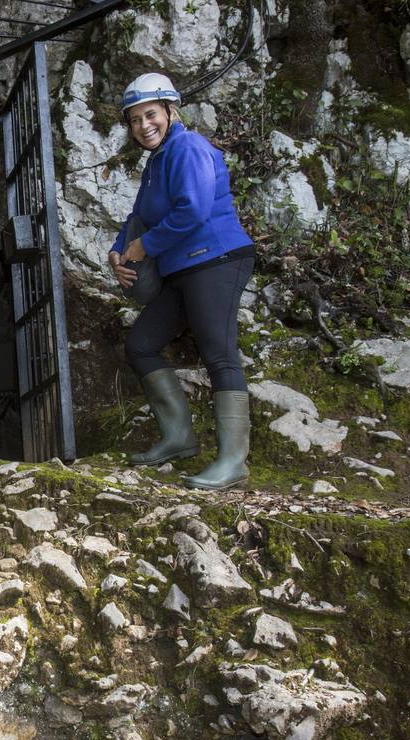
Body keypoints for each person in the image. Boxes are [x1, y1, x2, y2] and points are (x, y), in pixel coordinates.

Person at [109, 72, 256, 491]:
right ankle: (178, 438)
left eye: (150, 114)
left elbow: (191, 211)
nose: (143, 126)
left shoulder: (188, 146)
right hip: (181, 269)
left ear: (171, 111)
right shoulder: (156, 162)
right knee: (141, 343)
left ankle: (232, 462)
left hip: (217, 259)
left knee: (219, 352)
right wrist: (120, 252)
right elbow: (136, 218)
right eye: (135, 120)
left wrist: (145, 246)